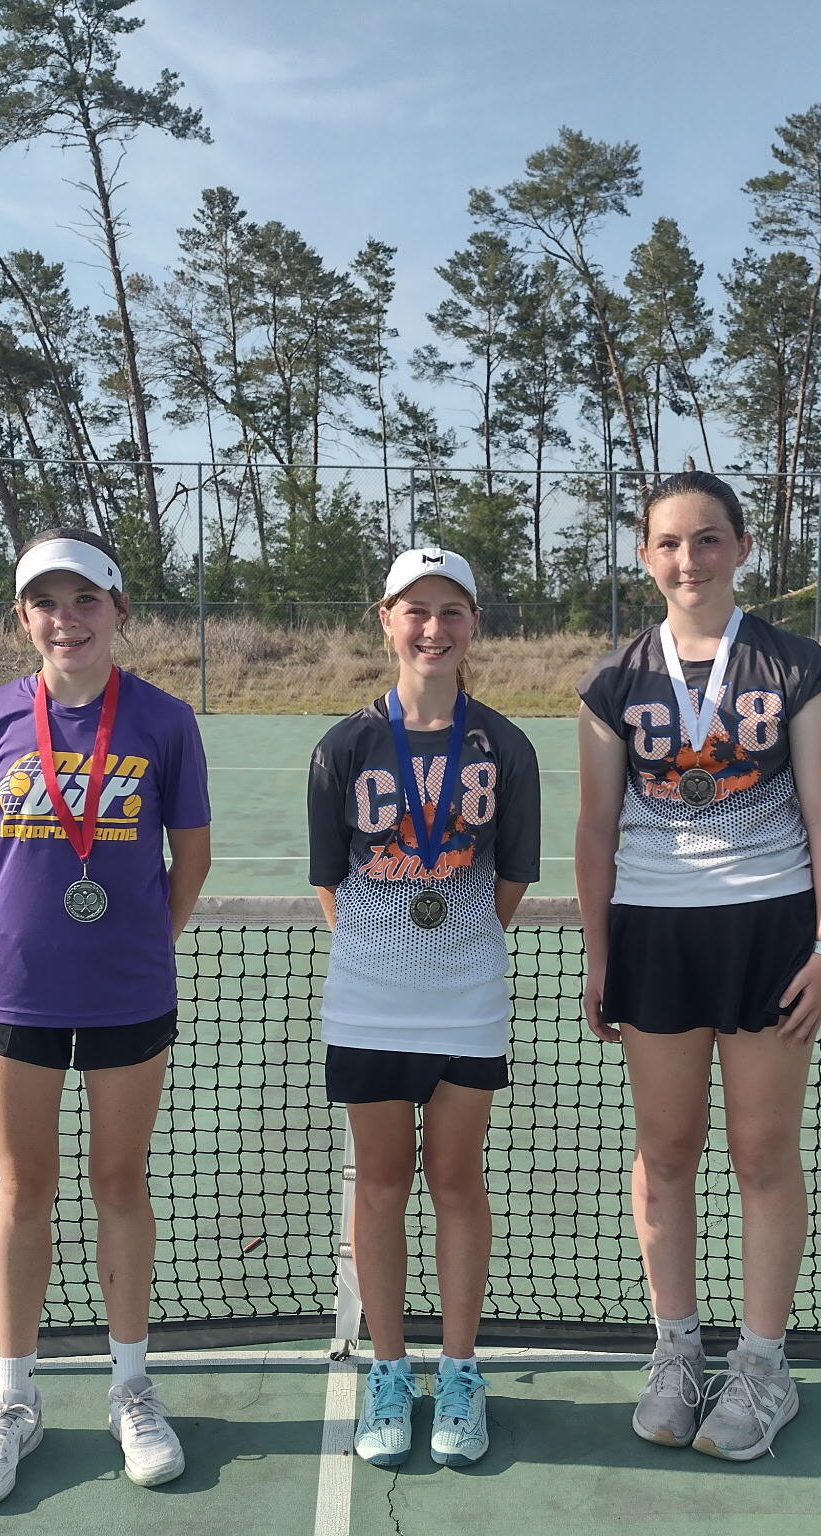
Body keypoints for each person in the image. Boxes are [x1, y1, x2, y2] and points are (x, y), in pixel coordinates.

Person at [574, 471, 821, 1462]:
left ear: (740, 548)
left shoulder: (793, 665)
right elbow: (595, 827)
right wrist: (599, 953)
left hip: (769, 931)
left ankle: (763, 1366)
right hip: (654, 933)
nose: (687, 559)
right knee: (665, 1150)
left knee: (763, 1153)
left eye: (706, 539)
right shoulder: (613, 682)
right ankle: (676, 1352)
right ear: (643, 556)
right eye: (668, 542)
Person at [0, 527, 212, 1506]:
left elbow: (192, 855)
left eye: (85, 600)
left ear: (118, 610)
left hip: (128, 992)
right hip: (14, 993)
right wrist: (24, 940)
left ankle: (130, 1388)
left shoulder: (164, 721)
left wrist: (138, 941)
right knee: (24, 1189)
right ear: (23, 618)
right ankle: (14, 1401)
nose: (67, 620)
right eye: (45, 604)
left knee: (118, 1181)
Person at [307, 548, 541, 1470]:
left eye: (451, 611)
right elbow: (330, 881)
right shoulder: (343, 747)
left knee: (455, 1181)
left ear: (473, 623)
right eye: (415, 610)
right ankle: (389, 1370)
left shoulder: (505, 747)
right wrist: (387, 952)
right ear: (386, 619)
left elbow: (511, 878)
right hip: (367, 1004)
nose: (433, 628)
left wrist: (454, 948)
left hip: (468, 1001)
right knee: (380, 1184)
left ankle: (461, 1371)